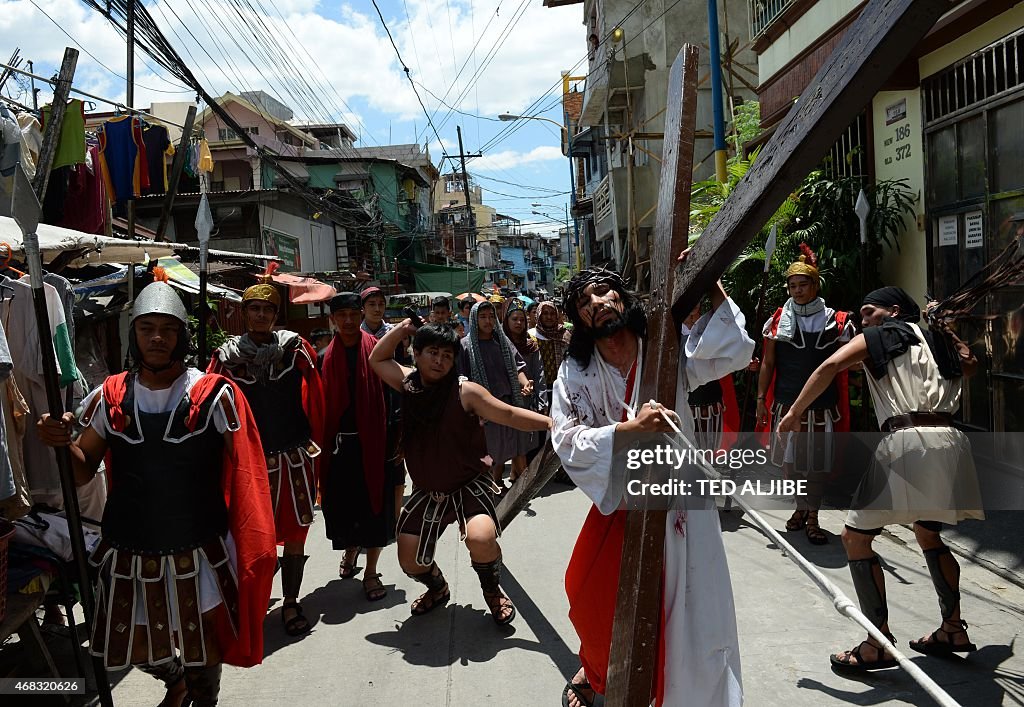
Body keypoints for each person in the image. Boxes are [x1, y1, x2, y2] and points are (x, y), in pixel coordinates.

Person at [37, 281, 275, 707]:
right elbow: (81, 471)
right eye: (147, 328)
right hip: (132, 546)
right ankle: (175, 679)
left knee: (205, 653)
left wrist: (248, 545)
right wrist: (59, 442)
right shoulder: (110, 395)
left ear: (181, 336)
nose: (158, 338)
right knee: (136, 647)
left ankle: (201, 696)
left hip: (198, 546)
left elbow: (246, 472)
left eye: (167, 329)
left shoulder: (213, 394)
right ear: (135, 334)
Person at [551, 263, 752, 707]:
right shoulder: (575, 372)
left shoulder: (663, 344)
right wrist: (628, 431)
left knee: (694, 614)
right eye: (585, 302)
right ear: (580, 319)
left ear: (623, 298)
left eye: (604, 292)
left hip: (683, 503)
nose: (597, 303)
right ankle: (599, 671)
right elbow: (565, 439)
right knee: (588, 595)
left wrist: (709, 282)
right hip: (623, 504)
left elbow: (730, 350)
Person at [778, 287, 984, 671]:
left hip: (909, 441)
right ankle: (953, 629)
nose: (863, 319)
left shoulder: (881, 334)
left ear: (893, 312)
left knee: (855, 538)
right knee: (927, 532)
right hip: (951, 443)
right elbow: (971, 365)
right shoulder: (936, 341)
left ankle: (877, 641)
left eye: (868, 311)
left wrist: (792, 415)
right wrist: (945, 327)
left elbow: (828, 367)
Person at [368, 320, 551, 625]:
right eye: (432, 353)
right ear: (417, 353)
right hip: (428, 490)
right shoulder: (408, 383)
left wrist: (550, 425)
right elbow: (377, 358)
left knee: (481, 538)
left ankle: (492, 592)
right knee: (409, 559)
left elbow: (507, 414)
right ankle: (438, 588)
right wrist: (403, 328)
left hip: (468, 485)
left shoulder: (466, 391)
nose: (439, 361)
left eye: (447, 356)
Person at [207, 277, 325, 636]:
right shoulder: (225, 358)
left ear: (277, 314)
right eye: (254, 309)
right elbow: (210, 406)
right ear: (244, 314)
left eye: (267, 309)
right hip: (251, 462)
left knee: (295, 534)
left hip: (293, 455)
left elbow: (317, 396)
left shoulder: (295, 349)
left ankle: (290, 602)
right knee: (251, 536)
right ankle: (254, 602)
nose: (261, 314)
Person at [756, 244, 854, 544]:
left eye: (803, 285)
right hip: (787, 403)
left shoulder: (836, 322)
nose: (797, 291)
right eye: (792, 285)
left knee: (817, 465)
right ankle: (800, 509)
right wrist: (761, 399)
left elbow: (847, 365)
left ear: (816, 285)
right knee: (794, 463)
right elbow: (769, 362)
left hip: (822, 406)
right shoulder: (777, 321)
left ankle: (813, 515)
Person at [319, 292, 392, 602]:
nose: (348, 321)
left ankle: (371, 571)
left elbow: (395, 396)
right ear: (332, 319)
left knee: (376, 510)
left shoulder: (377, 352)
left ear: (360, 315)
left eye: (353, 314)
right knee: (344, 510)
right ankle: (350, 551)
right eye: (341, 316)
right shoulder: (323, 358)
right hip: (337, 449)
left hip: (375, 444)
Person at [459, 301, 534, 490]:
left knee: (513, 445)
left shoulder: (502, 342)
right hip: (483, 410)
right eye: (482, 317)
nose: (488, 321)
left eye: (491, 316)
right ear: (474, 319)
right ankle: (491, 486)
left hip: (508, 403)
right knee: (490, 451)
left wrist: (525, 384)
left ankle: (513, 487)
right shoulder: (465, 346)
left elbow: (518, 366)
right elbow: (462, 379)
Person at [358, 286, 408, 526]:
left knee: (397, 466)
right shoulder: (355, 335)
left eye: (380, 304)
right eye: (372, 305)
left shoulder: (395, 334)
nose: (377, 309)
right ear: (363, 309)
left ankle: (396, 520)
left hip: (393, 402)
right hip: (367, 403)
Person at [683, 305, 740, 454]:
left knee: (706, 455)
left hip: (709, 400)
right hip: (682, 401)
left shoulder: (711, 325)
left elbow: (729, 352)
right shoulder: (669, 329)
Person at [502, 298, 545, 482]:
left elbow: (539, 373)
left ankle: (518, 474)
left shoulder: (531, 344)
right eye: (514, 319)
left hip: (527, 399)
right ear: (506, 321)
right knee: (509, 441)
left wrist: (541, 399)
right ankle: (517, 477)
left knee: (525, 440)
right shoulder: (499, 344)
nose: (518, 323)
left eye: (522, 319)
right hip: (505, 400)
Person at [529, 301, 571, 411]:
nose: (549, 317)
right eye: (545, 313)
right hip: (538, 388)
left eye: (552, 313)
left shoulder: (565, 335)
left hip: (563, 387)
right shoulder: (530, 335)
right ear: (539, 315)